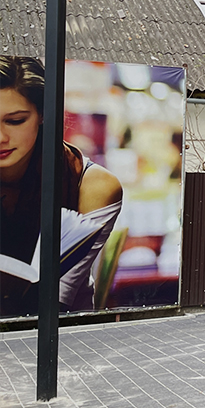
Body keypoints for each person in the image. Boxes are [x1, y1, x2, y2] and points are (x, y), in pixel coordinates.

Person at [0, 56, 122, 318]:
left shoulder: (91, 185)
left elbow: (53, 298)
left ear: (43, 114)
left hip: (60, 338)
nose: (0, 137)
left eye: (15, 121)